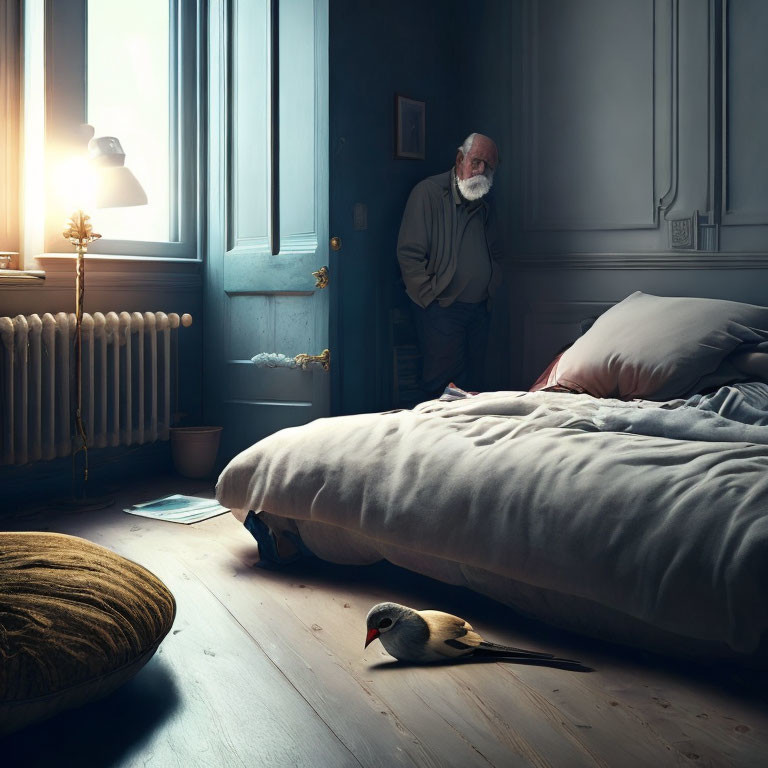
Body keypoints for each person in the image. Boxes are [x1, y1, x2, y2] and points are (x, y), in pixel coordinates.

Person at [397, 132, 502, 398]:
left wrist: (493, 285)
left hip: (480, 309)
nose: (481, 171)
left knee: (476, 390)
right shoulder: (427, 193)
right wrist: (430, 301)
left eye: (489, 166)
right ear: (459, 159)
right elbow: (409, 254)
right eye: (476, 162)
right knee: (441, 390)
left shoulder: (485, 202)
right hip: (442, 309)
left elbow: (496, 252)